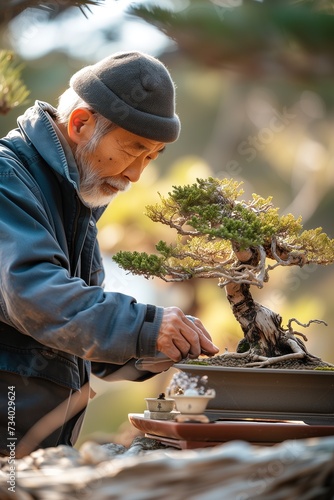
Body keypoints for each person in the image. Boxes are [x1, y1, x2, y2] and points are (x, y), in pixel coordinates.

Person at [0, 51, 219, 457]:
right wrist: (146, 327)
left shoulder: (75, 202)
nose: (136, 174)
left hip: (28, 451)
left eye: (150, 158)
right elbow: (32, 295)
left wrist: (159, 348)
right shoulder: (6, 177)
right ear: (80, 123)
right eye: (133, 149)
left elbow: (86, 350)